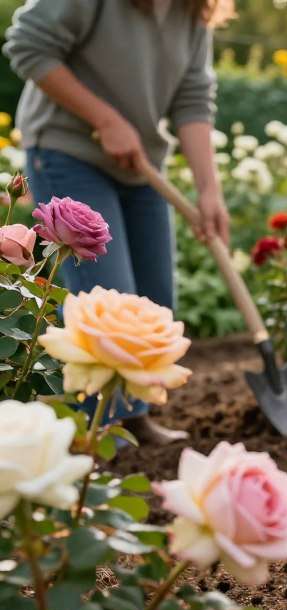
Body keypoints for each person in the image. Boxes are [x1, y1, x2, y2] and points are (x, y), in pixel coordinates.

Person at [3, 0, 232, 444]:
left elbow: (192, 96)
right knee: (106, 301)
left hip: (139, 163)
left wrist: (209, 190)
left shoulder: (193, 10)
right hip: (69, 152)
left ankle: (130, 419)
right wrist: (105, 118)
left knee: (153, 305)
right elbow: (28, 46)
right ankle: (92, 430)